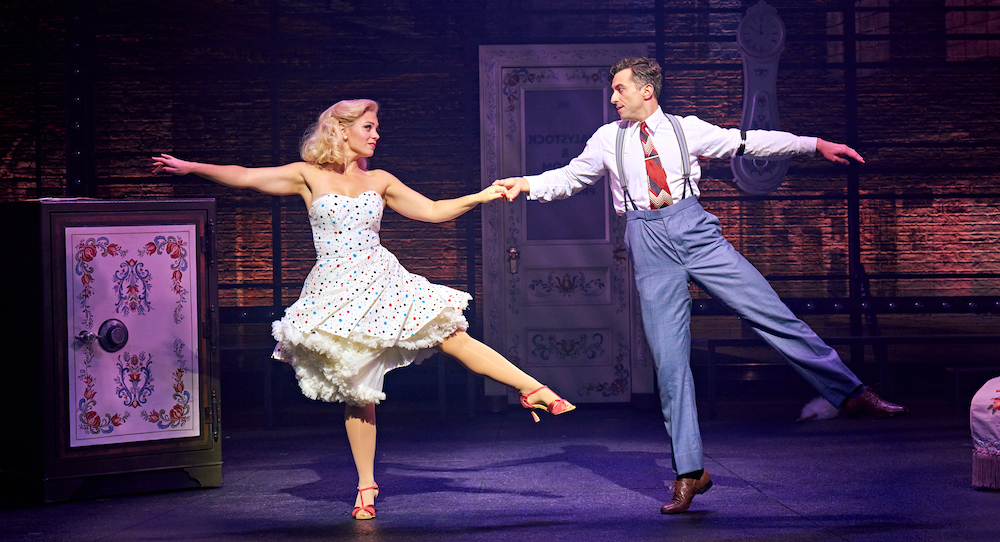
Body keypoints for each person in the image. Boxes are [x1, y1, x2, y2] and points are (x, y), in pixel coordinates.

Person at [494, 57, 905, 515]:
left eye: (619, 89)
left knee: (769, 312)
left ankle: (850, 394)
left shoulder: (686, 129)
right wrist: (527, 184)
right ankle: (690, 473)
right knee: (670, 365)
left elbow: (749, 142)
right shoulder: (608, 139)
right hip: (647, 242)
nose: (613, 98)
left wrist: (814, 144)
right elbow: (572, 176)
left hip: (695, 232)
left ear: (646, 90)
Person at [153, 98, 575, 520]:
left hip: (382, 280)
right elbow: (246, 177)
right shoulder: (307, 176)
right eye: (369, 127)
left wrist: (482, 196)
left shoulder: (381, 180)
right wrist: (192, 168)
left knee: (452, 335)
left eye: (376, 128)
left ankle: (532, 388)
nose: (376, 135)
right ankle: (366, 485)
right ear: (341, 129)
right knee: (357, 387)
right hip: (335, 289)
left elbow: (431, 211)